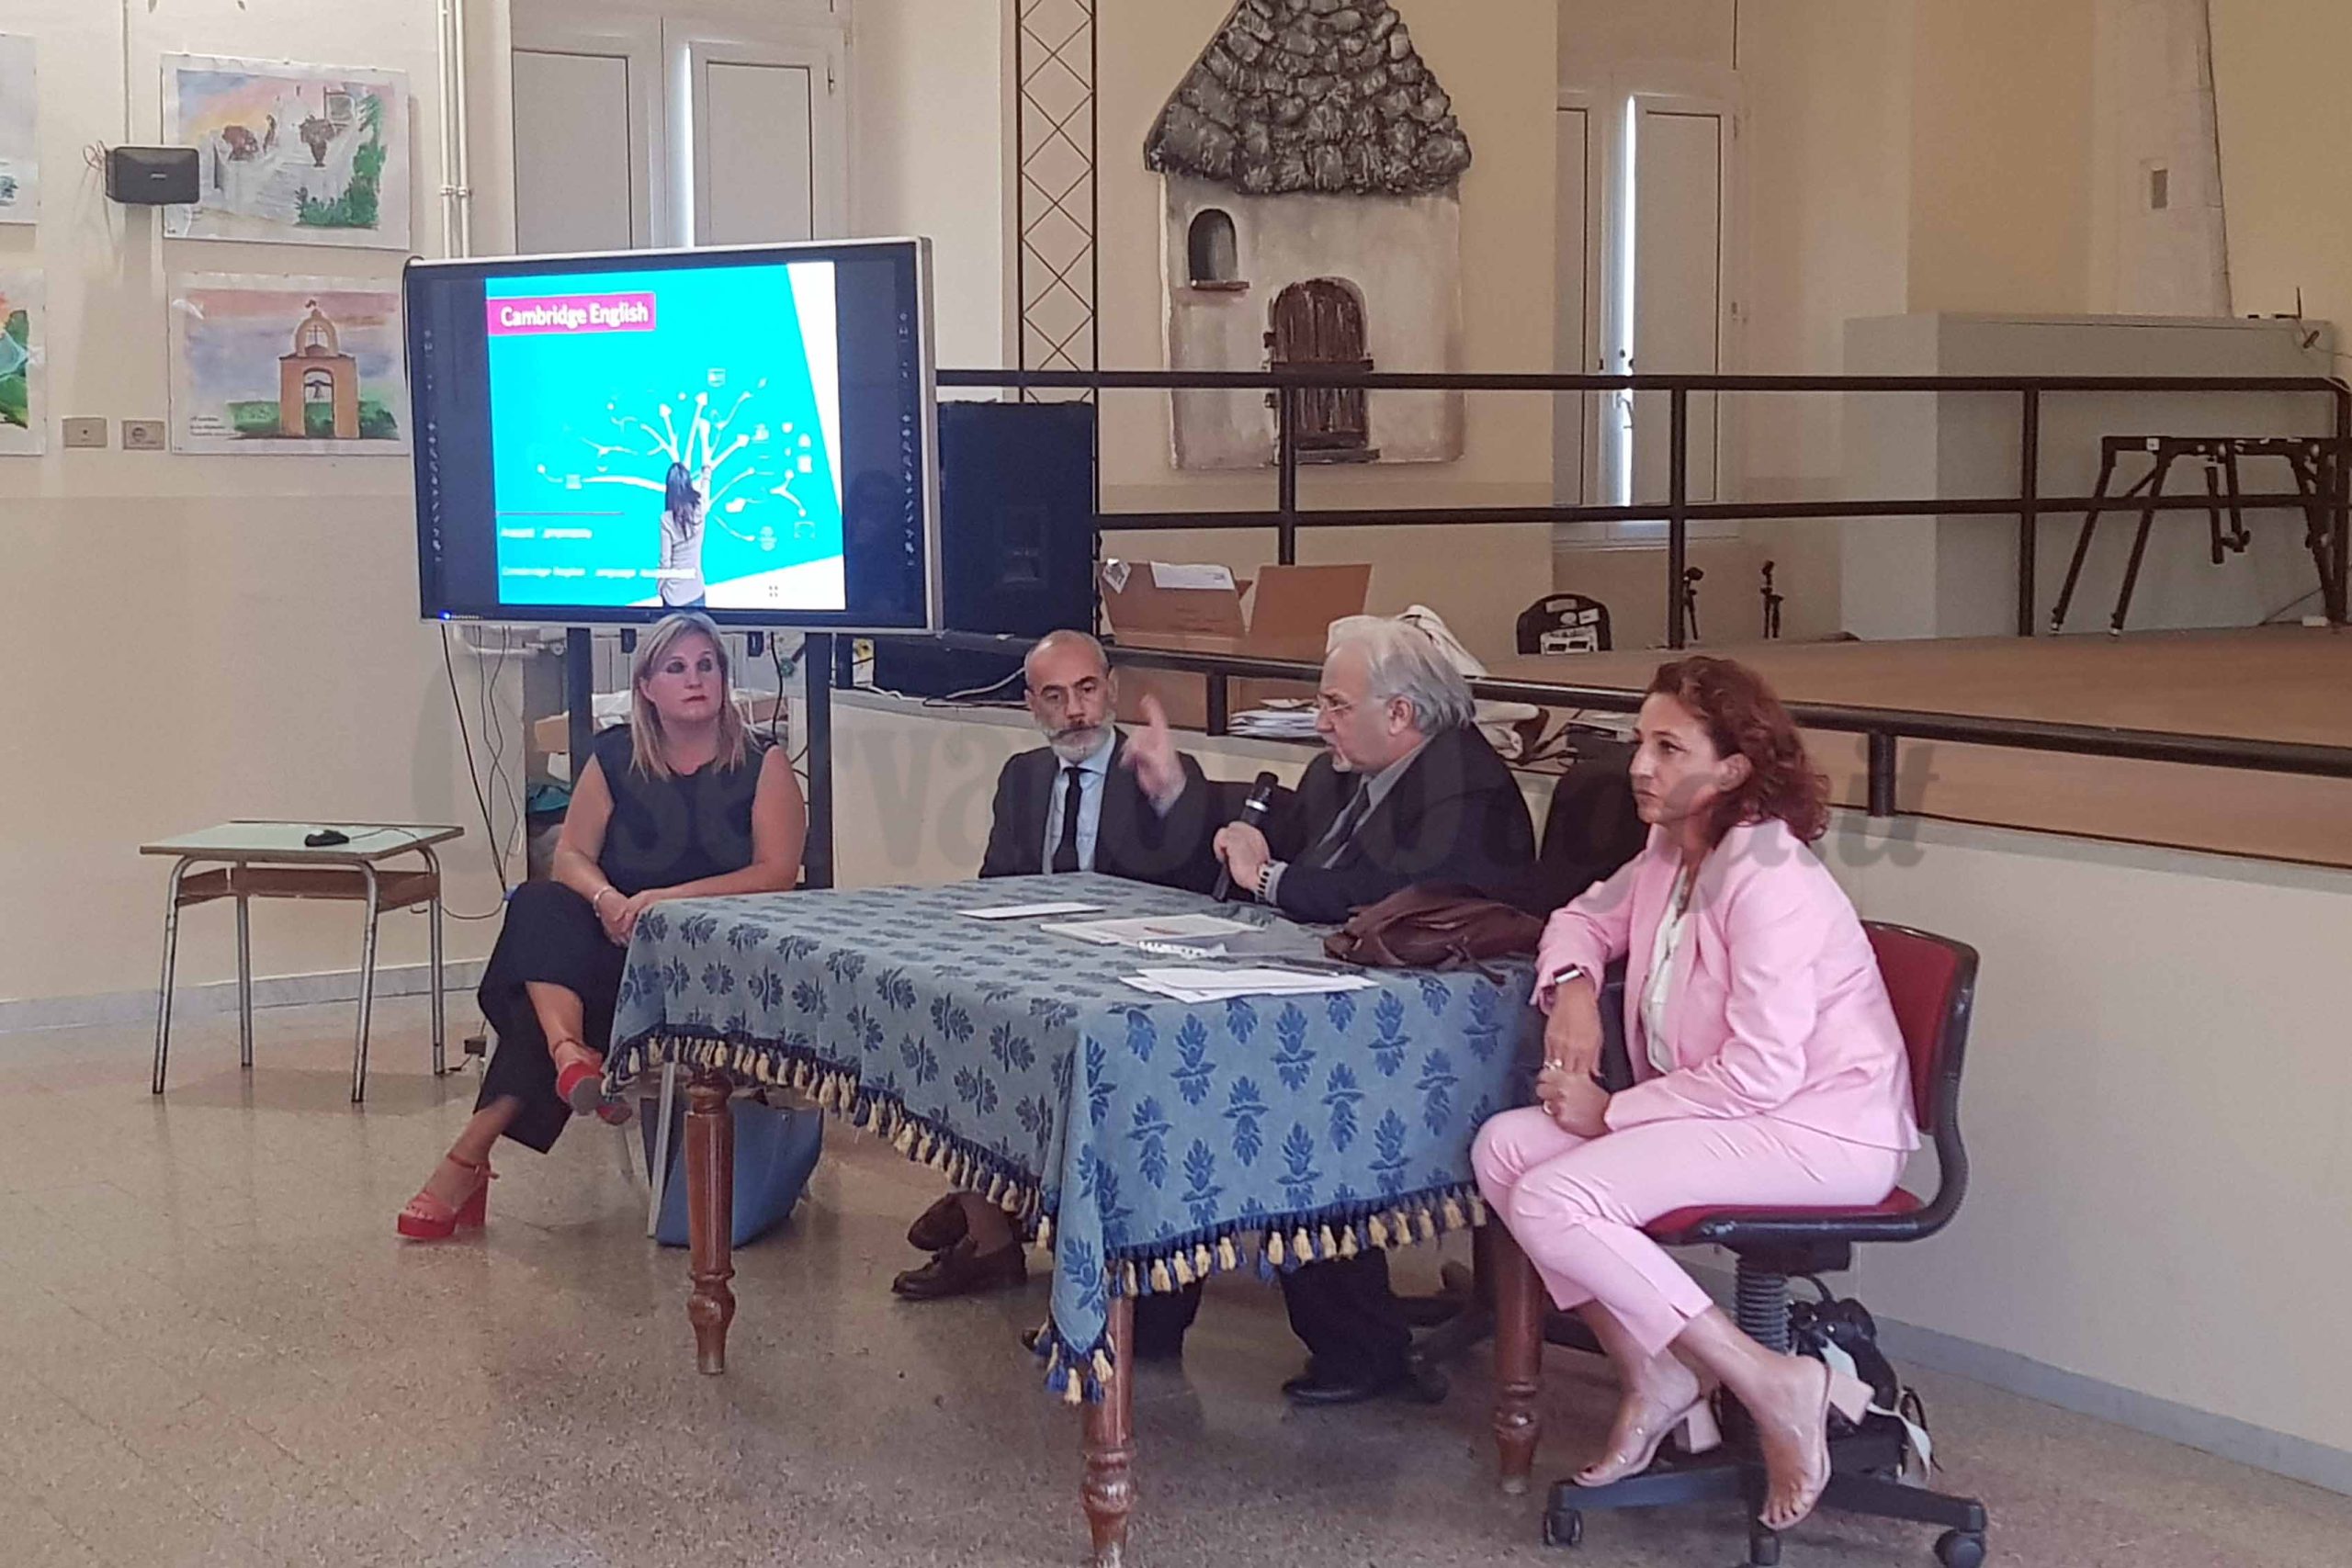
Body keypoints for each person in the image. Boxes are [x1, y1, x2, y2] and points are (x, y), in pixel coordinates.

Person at [1471, 656, 1917, 1533]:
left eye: (1669, 748)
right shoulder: (1671, 848)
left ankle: (1768, 1380)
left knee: (1558, 1196)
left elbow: (1763, 1071)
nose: (1640, 766)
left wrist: (1611, 1113)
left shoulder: (1769, 876)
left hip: (1824, 1129)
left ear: (1733, 768)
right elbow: (1580, 918)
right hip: (1738, 1113)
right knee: (1505, 1148)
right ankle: (1657, 1370)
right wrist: (1573, 990)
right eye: (1641, 742)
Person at [1192, 616, 1538, 1404]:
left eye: (1335, 706)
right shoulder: (1347, 770)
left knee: (1295, 1094)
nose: (1320, 722)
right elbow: (1301, 852)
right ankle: (1155, 1309)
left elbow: (1385, 895)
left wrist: (1268, 878)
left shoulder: (1465, 786)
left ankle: (1361, 1346)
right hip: (1349, 989)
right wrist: (1249, 840)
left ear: (1402, 713)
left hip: (1451, 1025)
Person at [398, 612, 808, 1239]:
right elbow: (571, 856)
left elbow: (775, 873)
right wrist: (609, 898)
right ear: (647, 686)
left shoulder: (762, 761)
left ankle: (483, 1141)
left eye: (707, 666)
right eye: (677, 668)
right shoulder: (616, 756)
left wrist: (664, 901)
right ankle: (571, 1055)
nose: (695, 680)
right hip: (619, 944)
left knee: (539, 1002)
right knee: (538, 902)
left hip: (710, 961)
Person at [893, 629, 1217, 1299]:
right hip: (1035, 968)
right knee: (957, 1017)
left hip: (1123, 978)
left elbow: (1191, 886)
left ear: (1112, 690)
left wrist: (1171, 795)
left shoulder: (1159, 770)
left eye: (1088, 690)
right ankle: (987, 1225)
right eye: (1055, 696)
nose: (1076, 711)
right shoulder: (1024, 776)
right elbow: (995, 883)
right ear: (1031, 705)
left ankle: (1004, 1204)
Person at [659, 461, 709, 608]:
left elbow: (665, 561)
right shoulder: (700, 509)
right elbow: (705, 489)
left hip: (673, 595)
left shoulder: (666, 519)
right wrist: (706, 472)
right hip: (696, 590)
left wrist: (661, 587)